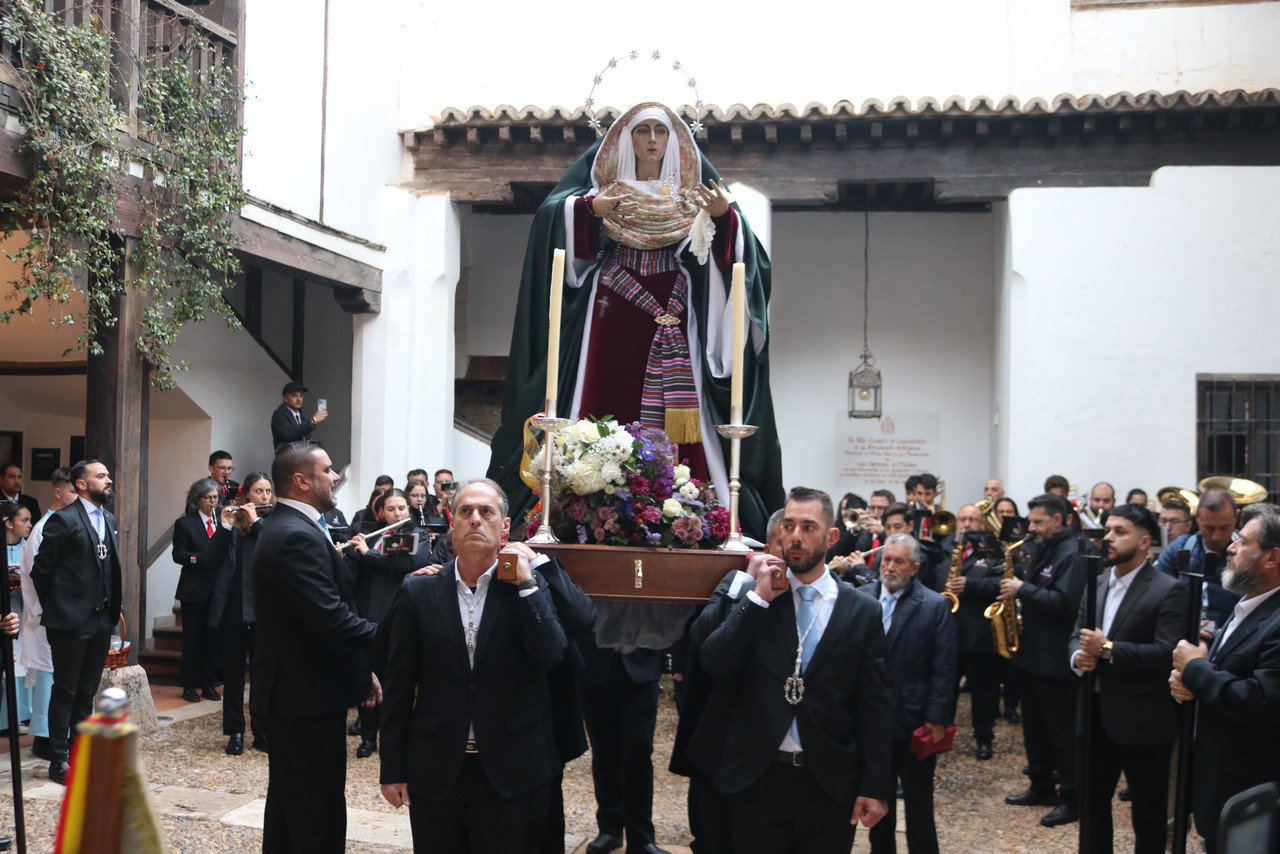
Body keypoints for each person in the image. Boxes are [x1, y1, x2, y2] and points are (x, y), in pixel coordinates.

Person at [488, 101, 784, 541]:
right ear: (626, 139)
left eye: (659, 132)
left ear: (674, 141)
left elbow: (738, 260)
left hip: (674, 312)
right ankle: (581, 512)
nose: (650, 140)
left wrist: (724, 219)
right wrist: (590, 210)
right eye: (641, 131)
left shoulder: (694, 195)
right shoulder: (601, 192)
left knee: (683, 422)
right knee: (597, 401)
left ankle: (686, 511)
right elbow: (554, 217)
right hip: (610, 309)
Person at [379, 478, 568, 853]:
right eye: (465, 511)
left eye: (486, 512)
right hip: (437, 767)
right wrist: (392, 769)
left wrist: (528, 586)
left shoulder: (526, 587)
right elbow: (398, 686)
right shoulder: (420, 591)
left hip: (510, 767)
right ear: (453, 524)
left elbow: (551, 655)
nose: (476, 520)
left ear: (505, 527)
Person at [699, 486, 891, 853]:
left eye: (808, 527)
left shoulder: (861, 611)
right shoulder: (755, 599)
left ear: (832, 537)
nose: (796, 537)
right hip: (758, 775)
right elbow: (714, 662)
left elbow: (874, 705)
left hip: (829, 780)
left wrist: (875, 786)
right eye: (788, 526)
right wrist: (757, 600)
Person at [252, 441, 380, 853]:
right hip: (302, 699)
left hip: (303, 693)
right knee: (315, 814)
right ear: (302, 480)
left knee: (293, 808)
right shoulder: (293, 535)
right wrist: (399, 635)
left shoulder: (299, 527)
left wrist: (362, 672)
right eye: (327, 470)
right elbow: (330, 619)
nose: (336, 476)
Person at [1068, 504, 1186, 854]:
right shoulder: (1098, 581)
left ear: (1145, 541)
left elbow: (1167, 652)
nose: (1109, 538)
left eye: (1120, 531)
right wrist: (1078, 656)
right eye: (1107, 531)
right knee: (1092, 805)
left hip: (1144, 719)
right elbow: (1076, 633)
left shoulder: (1167, 589)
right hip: (1094, 712)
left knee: (1148, 814)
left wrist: (1106, 649)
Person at [1171, 505, 1280, 854]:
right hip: (1220, 781)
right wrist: (1191, 685)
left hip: (1251, 791)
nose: (1230, 548)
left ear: (1272, 558)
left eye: (1242, 541)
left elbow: (1262, 701)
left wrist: (1196, 670)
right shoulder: (1250, 604)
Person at [860, 533, 956, 854]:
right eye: (886, 559)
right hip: (872, 724)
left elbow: (944, 666)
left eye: (898, 561)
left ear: (914, 568)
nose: (889, 567)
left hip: (914, 721)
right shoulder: (860, 598)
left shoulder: (934, 605)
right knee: (878, 800)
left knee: (919, 805)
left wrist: (936, 717)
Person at [30, 459, 123, 785]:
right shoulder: (63, 521)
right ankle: (58, 760)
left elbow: (108, 567)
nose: (108, 480)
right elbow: (41, 572)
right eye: (101, 476)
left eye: (107, 475)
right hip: (69, 622)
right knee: (66, 690)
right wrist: (60, 608)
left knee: (87, 692)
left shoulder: (109, 519)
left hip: (100, 619)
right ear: (81, 484)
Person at [999, 492, 1085, 827]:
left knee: (1062, 734)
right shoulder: (1045, 547)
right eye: (1030, 521)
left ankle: (1072, 797)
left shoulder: (1073, 552)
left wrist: (1023, 589)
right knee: (1034, 730)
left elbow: (1067, 602)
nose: (1030, 527)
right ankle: (1041, 786)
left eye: (1037, 522)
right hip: (1032, 655)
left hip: (1056, 661)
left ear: (1059, 521)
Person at [345, 488, 439, 759]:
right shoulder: (373, 536)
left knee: (397, 681)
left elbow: (410, 564)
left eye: (401, 508)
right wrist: (351, 553)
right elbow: (357, 574)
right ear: (381, 512)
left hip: (400, 616)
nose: (398, 513)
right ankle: (367, 737)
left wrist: (368, 554)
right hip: (369, 617)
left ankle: (394, 739)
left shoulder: (417, 536)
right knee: (369, 677)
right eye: (391, 509)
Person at [209, 471, 273, 756]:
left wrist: (257, 522)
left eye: (268, 492)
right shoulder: (231, 525)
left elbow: (274, 552)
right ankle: (235, 731)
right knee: (233, 676)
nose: (264, 497)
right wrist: (224, 526)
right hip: (233, 611)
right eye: (259, 491)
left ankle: (262, 731)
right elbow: (211, 560)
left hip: (263, 612)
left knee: (262, 676)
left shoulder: (270, 524)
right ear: (247, 494)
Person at [18, 466, 75, 763]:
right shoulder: (44, 528)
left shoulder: (69, 522)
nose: (78, 497)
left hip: (63, 616)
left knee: (59, 679)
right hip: (47, 617)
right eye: (73, 491)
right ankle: (44, 737)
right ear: (58, 491)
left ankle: (57, 734)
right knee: (48, 680)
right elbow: (40, 575)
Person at [943, 503, 1005, 759]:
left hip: (979, 633)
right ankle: (942, 736)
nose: (967, 524)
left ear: (983, 524)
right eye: (963, 519)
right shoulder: (945, 546)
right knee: (945, 690)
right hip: (947, 632)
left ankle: (984, 738)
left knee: (984, 691)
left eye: (973, 520)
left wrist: (971, 584)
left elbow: (1001, 583)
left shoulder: (993, 549)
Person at [171, 477, 233, 704]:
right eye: (208, 498)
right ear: (198, 500)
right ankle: (189, 685)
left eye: (216, 497)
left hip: (218, 590)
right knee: (193, 640)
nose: (213, 502)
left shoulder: (223, 522)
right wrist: (199, 559)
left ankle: (209, 684)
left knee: (212, 639)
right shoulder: (185, 523)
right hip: (194, 591)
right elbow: (178, 554)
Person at [1156, 487, 1240, 629]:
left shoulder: (1250, 553)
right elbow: (1158, 599)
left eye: (1224, 528)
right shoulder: (1179, 549)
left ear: (1236, 518)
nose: (1216, 536)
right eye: (1209, 528)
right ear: (1197, 517)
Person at [2, 503, 33, 734]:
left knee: (23, 661)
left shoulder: (29, 548)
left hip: (23, 610)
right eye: (24, 520)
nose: (29, 525)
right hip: (4, 611)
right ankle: (4, 720)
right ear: (9, 523)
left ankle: (22, 714)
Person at [270, 380, 328, 450]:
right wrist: (314, 420)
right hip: (286, 458)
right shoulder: (279, 415)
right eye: (294, 396)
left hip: (301, 457)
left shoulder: (302, 419)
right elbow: (290, 435)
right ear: (285, 398)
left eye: (301, 396)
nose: (299, 399)